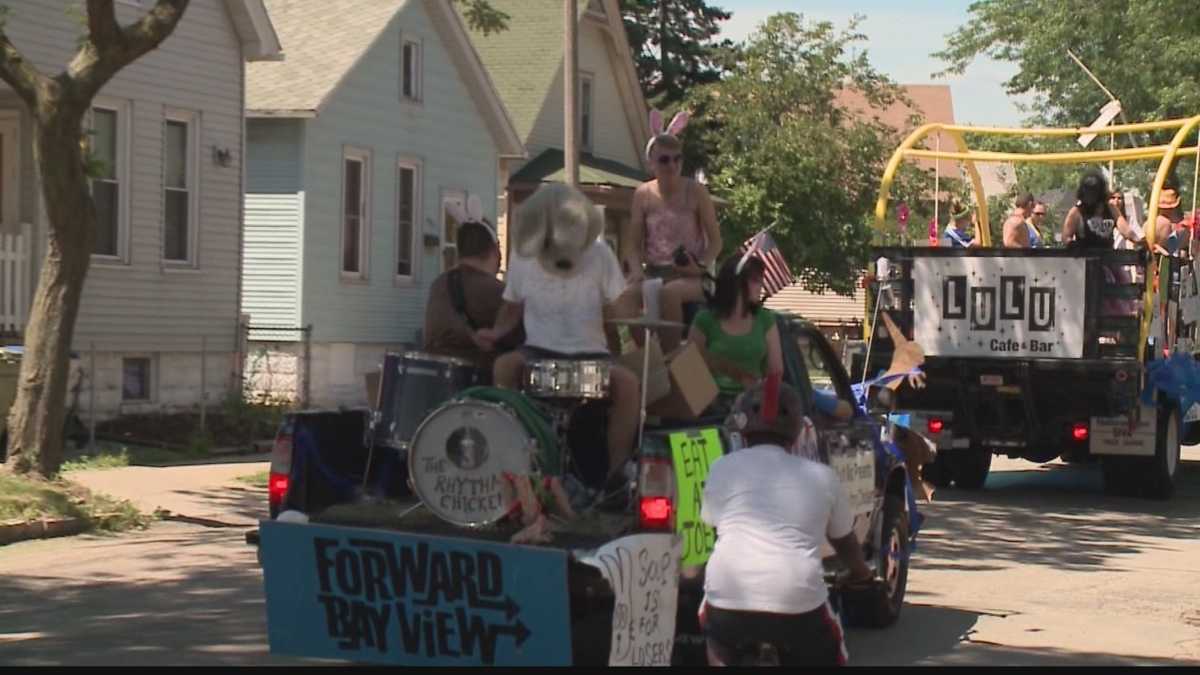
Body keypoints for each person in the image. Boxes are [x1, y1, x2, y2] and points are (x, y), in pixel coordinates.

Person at [700, 382, 874, 666]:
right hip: (799, 604)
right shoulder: (822, 477)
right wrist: (862, 574)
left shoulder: (722, 467)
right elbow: (845, 541)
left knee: (717, 644)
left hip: (727, 600)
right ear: (796, 430)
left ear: (742, 427)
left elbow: (712, 522)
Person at [478, 183, 641, 486]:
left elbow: (621, 309)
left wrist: (632, 289)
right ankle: (514, 465)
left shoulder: (601, 253)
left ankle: (614, 478)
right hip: (538, 352)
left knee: (629, 385)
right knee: (503, 367)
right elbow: (510, 308)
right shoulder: (524, 256)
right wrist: (496, 332)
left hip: (592, 354)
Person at [620, 110, 722, 351]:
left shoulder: (696, 191)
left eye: (678, 159)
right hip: (655, 272)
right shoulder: (642, 194)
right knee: (621, 298)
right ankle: (645, 355)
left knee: (669, 294)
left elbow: (716, 242)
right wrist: (635, 271)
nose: (672, 165)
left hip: (692, 277)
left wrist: (700, 266)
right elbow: (631, 245)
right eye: (665, 160)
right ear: (652, 163)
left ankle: (671, 358)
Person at [422, 217, 519, 370]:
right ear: (495, 251)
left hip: (435, 379)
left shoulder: (438, 285)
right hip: (476, 383)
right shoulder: (497, 291)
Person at [689, 255, 783, 407]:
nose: (760, 286)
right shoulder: (705, 319)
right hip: (709, 409)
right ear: (737, 283)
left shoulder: (765, 319)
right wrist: (707, 407)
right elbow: (691, 367)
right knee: (706, 432)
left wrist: (768, 410)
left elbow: (775, 372)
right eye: (755, 280)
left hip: (752, 405)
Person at [1062, 171, 1138, 249]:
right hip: (1085, 258)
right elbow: (1066, 237)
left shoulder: (1111, 208)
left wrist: (1139, 241)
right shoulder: (1076, 212)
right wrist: (1074, 245)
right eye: (1088, 192)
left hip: (1108, 258)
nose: (1090, 196)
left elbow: (1126, 231)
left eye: (1093, 192)